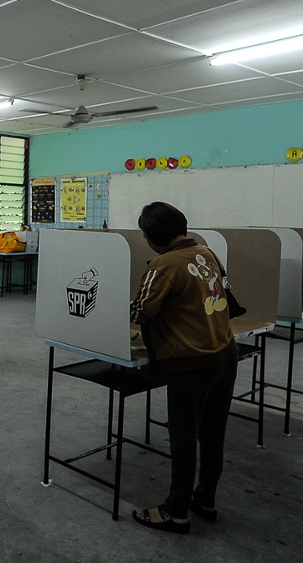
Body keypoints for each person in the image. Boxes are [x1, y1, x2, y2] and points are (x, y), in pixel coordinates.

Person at [130, 201, 239, 534]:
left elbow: (140, 311)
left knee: (183, 439)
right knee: (212, 434)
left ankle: (175, 512)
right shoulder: (206, 253)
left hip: (190, 362)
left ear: (150, 238)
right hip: (225, 353)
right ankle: (205, 499)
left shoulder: (164, 265)